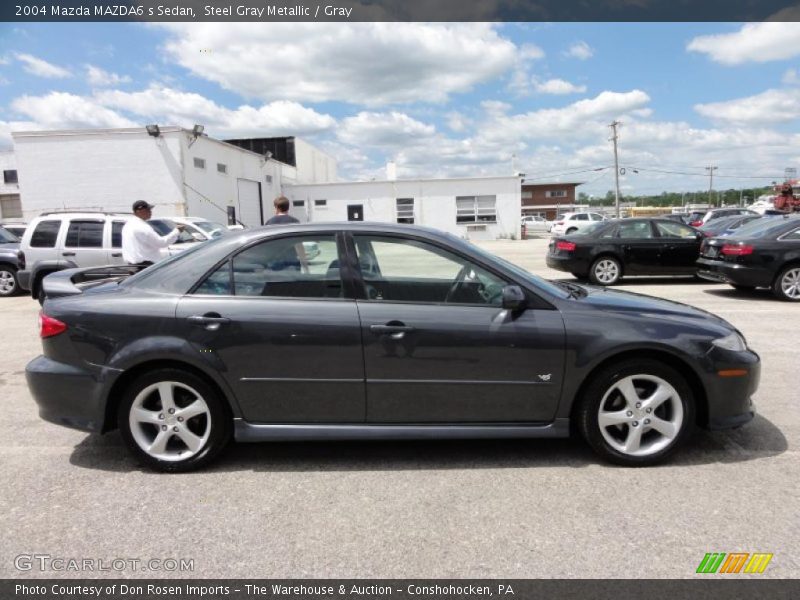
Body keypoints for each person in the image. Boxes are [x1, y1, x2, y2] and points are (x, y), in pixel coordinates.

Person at [121, 200, 184, 267]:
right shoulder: (142, 227)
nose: (150, 212)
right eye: (148, 210)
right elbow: (161, 243)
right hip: (145, 266)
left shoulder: (128, 225)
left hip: (132, 265)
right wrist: (177, 231)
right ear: (139, 211)